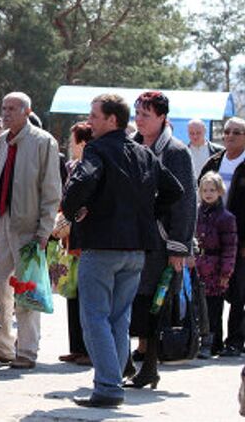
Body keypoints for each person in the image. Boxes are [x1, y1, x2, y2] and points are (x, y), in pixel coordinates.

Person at [62, 93, 183, 408]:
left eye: (95, 116)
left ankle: (108, 387)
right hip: (136, 250)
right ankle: (112, 383)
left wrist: (75, 211)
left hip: (102, 246)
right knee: (117, 319)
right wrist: (145, 213)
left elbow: (79, 185)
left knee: (96, 318)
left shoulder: (97, 150)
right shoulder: (143, 152)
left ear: (112, 119)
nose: (90, 122)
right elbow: (174, 190)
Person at [0, 92, 61, 369]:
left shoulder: (43, 141)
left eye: (13, 108)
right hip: (2, 224)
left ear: (27, 111)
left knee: (27, 292)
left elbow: (51, 191)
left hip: (29, 228)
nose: (7, 113)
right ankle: (1, 347)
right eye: (3, 108)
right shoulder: (2, 141)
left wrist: (44, 231)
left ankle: (26, 351)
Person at [127, 91, 196, 389]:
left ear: (162, 118)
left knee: (156, 303)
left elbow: (185, 202)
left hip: (162, 241)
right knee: (134, 301)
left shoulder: (176, 151)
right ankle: (133, 359)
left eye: (146, 114)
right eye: (137, 113)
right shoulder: (133, 146)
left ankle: (151, 365)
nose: (140, 120)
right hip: (135, 239)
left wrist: (179, 246)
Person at [200, 117, 245, 357]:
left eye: (237, 132)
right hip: (212, 241)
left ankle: (236, 341)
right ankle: (213, 340)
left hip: (240, 241)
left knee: (239, 294)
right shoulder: (214, 162)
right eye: (227, 132)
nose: (230, 136)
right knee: (212, 293)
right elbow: (200, 193)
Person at [57, 121, 93, 366]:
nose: (71, 145)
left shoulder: (90, 167)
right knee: (73, 294)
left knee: (86, 297)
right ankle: (76, 347)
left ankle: (89, 350)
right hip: (71, 240)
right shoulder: (73, 166)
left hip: (85, 242)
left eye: (73, 140)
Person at [195, 171, 238, 359]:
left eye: (212, 189)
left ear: (220, 191)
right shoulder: (196, 213)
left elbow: (230, 247)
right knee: (198, 306)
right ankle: (198, 340)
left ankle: (213, 342)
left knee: (214, 308)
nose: (208, 193)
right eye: (205, 189)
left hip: (215, 268)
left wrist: (226, 273)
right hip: (197, 266)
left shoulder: (226, 217)